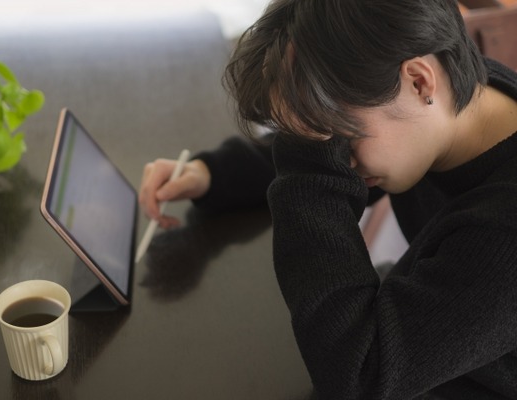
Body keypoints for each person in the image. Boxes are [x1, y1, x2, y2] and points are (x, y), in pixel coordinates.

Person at [138, 0, 517, 398]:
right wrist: (215, 173)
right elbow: (334, 135)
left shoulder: (506, 230)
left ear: (420, 82)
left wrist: (310, 163)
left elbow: (356, 375)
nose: (341, 160)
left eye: (341, 139)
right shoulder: (463, 98)